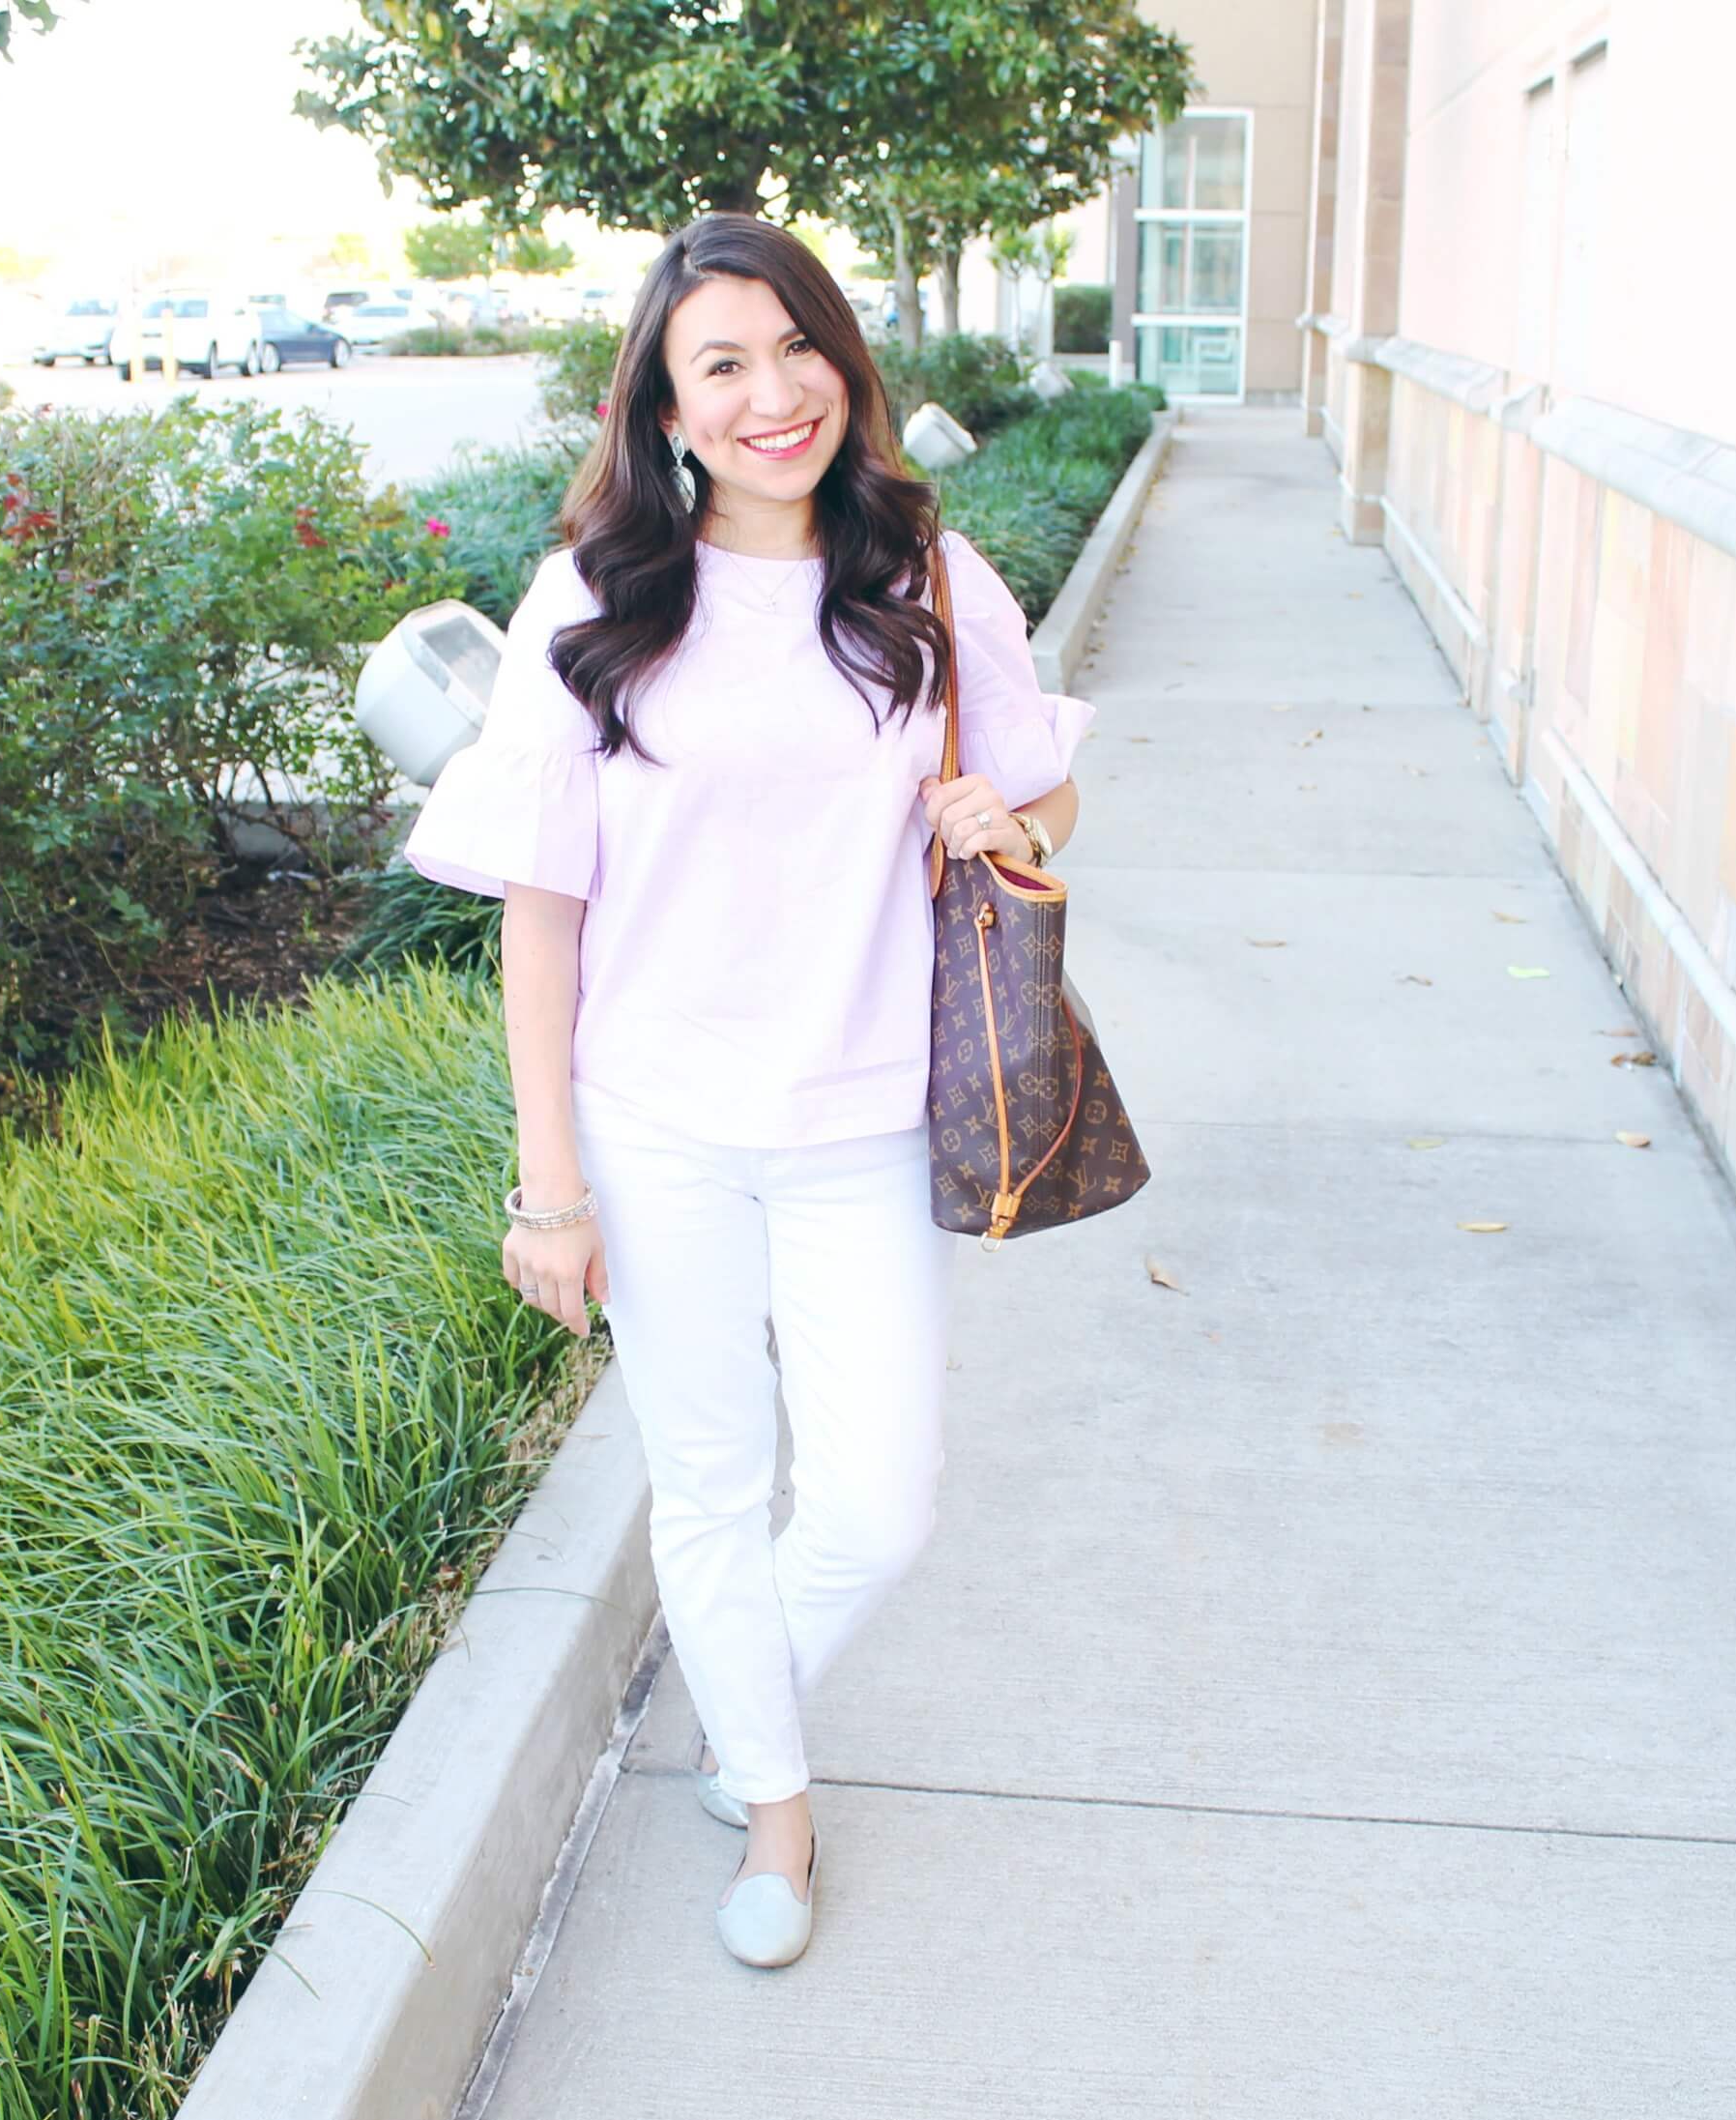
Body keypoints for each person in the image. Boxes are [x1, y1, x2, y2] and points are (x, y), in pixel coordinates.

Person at [403, 212, 1092, 1970]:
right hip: (656, 1128)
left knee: (876, 1504)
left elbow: (1035, 786)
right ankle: (771, 1806)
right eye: (723, 363)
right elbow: (539, 919)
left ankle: (737, 1703)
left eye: (797, 348)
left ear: (843, 364)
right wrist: (547, 1188)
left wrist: (1003, 823)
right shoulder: (601, 598)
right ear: (666, 405)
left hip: (867, 1114)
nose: (772, 392)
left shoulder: (922, 573)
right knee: (708, 1486)